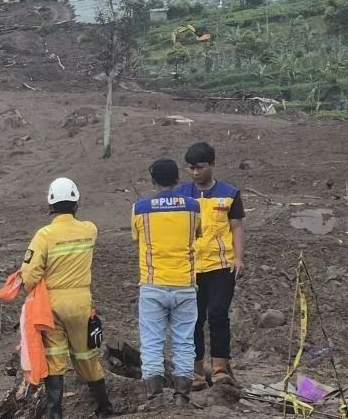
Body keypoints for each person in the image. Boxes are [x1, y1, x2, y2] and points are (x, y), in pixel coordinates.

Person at [21, 177, 115, 419]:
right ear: (76, 203)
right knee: (87, 355)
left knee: (54, 359)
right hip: (82, 301)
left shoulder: (44, 235)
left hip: (52, 305)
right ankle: (105, 409)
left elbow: (29, 274)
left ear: (51, 205)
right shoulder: (89, 230)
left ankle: (55, 414)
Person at [132, 159, 202, 406]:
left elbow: (136, 237)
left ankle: (155, 397)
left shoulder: (139, 208)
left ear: (153, 182)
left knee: (152, 342)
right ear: (177, 180)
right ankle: (182, 396)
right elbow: (198, 233)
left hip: (153, 284)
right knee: (184, 341)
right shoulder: (193, 207)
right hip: (184, 285)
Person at [179, 141, 245, 388]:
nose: (195, 172)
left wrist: (239, 258)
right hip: (191, 267)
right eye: (191, 168)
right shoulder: (182, 193)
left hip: (221, 265)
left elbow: (237, 226)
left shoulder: (230, 193)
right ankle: (196, 372)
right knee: (193, 319)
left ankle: (219, 369)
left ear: (212, 165)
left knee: (218, 316)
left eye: (200, 167)